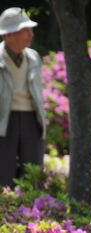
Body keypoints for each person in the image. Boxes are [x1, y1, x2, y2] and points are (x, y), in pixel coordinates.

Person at [0, 7, 45, 188]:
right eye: (25, 30)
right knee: (3, 172)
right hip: (4, 120)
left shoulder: (33, 57)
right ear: (9, 34)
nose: (31, 35)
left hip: (30, 119)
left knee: (33, 173)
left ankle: (32, 214)